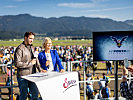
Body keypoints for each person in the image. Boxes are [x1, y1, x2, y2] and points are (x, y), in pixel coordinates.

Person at [14, 32, 43, 100]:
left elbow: (36, 60)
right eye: (30, 38)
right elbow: (17, 64)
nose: (32, 40)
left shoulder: (32, 47)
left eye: (33, 39)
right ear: (25, 38)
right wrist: (30, 63)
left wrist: (40, 69)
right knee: (23, 96)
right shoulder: (19, 49)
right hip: (23, 76)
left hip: (33, 75)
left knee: (35, 95)